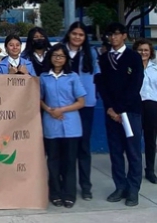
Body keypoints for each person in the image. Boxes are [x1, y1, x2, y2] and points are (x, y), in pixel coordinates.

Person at [95, 22, 144, 207]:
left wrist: (121, 109)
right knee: (116, 152)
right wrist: (110, 108)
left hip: (130, 111)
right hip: (111, 113)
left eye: (117, 34)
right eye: (111, 35)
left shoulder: (133, 57)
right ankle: (120, 186)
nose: (113, 38)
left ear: (124, 35)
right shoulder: (104, 58)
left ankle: (133, 190)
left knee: (133, 152)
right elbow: (103, 85)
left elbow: (135, 85)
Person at [40, 43, 86, 209]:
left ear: (66, 58)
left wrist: (62, 110)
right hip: (51, 124)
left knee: (69, 161)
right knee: (53, 161)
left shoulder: (73, 76)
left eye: (61, 56)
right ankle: (55, 193)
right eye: (54, 55)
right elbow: (38, 98)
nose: (57, 58)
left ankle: (69, 194)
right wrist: (49, 110)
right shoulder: (44, 77)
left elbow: (81, 102)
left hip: (71, 125)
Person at [62, 22, 100, 200]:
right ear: (69, 34)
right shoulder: (59, 50)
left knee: (83, 148)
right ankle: (64, 184)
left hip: (85, 106)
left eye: (81, 35)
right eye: (74, 33)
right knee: (65, 148)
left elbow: (97, 77)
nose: (77, 37)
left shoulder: (90, 53)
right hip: (63, 106)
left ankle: (86, 186)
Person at [133, 39, 157, 185]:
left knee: (150, 141)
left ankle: (150, 170)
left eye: (146, 50)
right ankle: (135, 170)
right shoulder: (131, 68)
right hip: (135, 105)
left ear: (150, 52)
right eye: (140, 50)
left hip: (152, 106)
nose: (143, 52)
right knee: (134, 140)